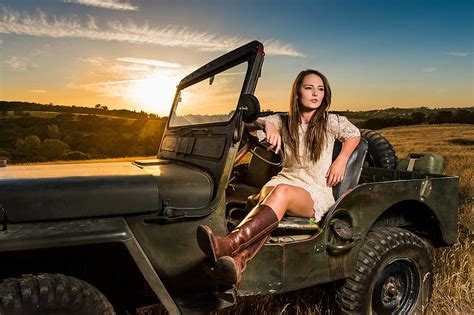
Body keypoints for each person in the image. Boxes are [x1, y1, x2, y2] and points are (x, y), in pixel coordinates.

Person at [196, 69, 361, 287]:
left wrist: (341, 159)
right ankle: (238, 260)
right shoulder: (284, 121)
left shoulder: (331, 122)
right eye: (309, 88)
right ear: (297, 92)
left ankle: (229, 243)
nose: (315, 94)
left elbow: (354, 134)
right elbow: (249, 123)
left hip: (314, 190)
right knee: (269, 196)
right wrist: (268, 125)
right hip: (283, 181)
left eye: (320, 89)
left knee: (278, 194)